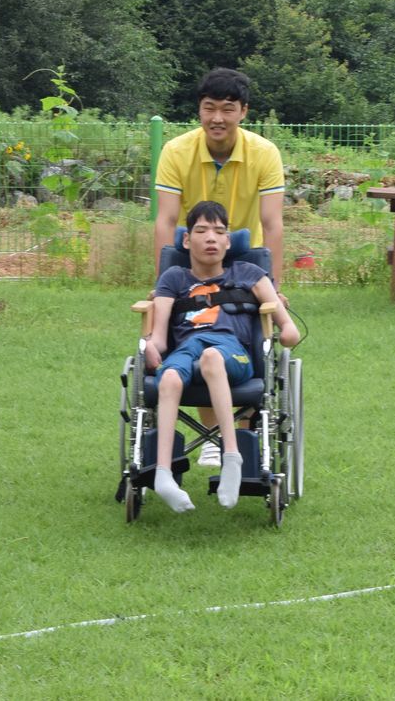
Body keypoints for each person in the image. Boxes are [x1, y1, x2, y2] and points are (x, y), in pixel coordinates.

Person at [153, 67, 286, 467]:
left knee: (238, 336)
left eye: (227, 109)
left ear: (243, 111)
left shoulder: (264, 153)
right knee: (194, 330)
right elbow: (164, 220)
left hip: (245, 256)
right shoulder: (176, 151)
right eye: (209, 108)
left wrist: (274, 285)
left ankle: (239, 437)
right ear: (199, 110)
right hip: (189, 255)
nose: (217, 118)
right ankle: (213, 436)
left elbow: (273, 223)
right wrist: (162, 282)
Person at [143, 200, 299, 513]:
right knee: (170, 376)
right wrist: (149, 346)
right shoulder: (173, 278)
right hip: (186, 350)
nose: (211, 238)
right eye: (201, 230)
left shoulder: (249, 273)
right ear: (186, 241)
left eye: (219, 231)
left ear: (229, 241)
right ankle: (162, 475)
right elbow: (159, 338)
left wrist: (285, 331)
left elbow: (289, 328)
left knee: (213, 357)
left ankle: (232, 458)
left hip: (233, 354)